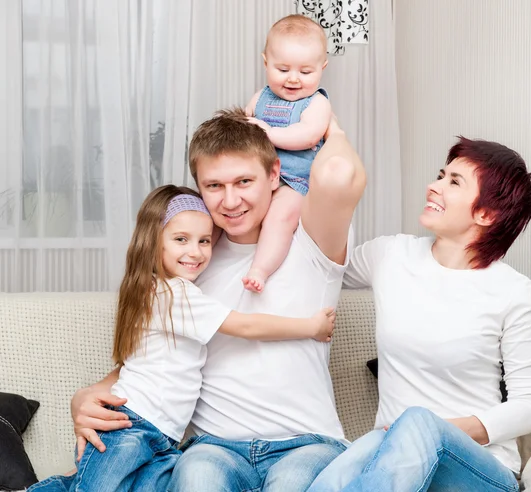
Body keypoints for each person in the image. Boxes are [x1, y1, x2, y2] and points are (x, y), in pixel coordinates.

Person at [69, 108, 366, 491]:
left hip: (307, 442)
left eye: (244, 181)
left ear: (274, 174)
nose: (230, 201)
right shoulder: (193, 259)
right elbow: (156, 353)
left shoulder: (310, 240)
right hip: (215, 446)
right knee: (197, 476)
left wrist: (327, 123)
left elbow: (339, 174)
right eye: (214, 186)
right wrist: (89, 395)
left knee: (291, 484)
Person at [28, 185, 336, 491]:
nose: (196, 251)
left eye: (204, 241)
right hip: (131, 424)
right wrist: (310, 327)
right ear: (153, 243)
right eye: (180, 240)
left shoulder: (163, 289)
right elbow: (245, 326)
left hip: (164, 438)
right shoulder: (172, 294)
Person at [308, 137, 531, 492]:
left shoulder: (513, 291)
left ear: (486, 214)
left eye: (454, 182)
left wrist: (436, 428)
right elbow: (320, 266)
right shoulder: (391, 255)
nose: (433, 186)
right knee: (357, 455)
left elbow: (528, 406)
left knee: (415, 422)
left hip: (482, 470)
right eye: (440, 175)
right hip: (392, 455)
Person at [242, 14, 331, 293]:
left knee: (279, 217)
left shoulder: (316, 103)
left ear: (322, 68)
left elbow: (308, 135)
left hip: (295, 181)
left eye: (306, 72)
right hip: (260, 175)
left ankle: (261, 269)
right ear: (266, 63)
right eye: (282, 69)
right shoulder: (260, 97)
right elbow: (244, 127)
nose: (293, 79)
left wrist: (268, 133)